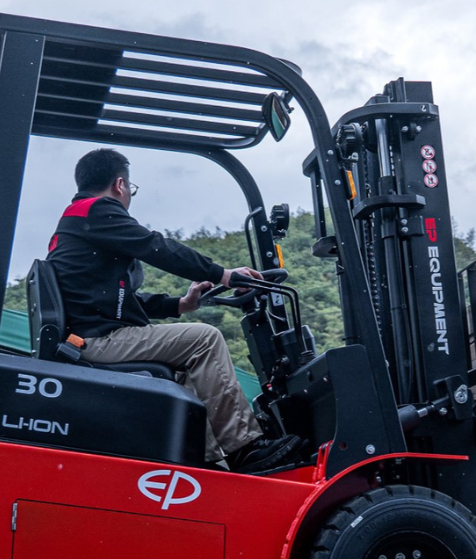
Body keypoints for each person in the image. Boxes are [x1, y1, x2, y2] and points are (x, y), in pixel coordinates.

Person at [46, 148, 303, 474]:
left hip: (90, 335)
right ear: (120, 184)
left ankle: (212, 465)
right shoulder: (96, 210)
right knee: (204, 339)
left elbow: (118, 297)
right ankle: (246, 448)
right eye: (131, 190)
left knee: (187, 372)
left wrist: (179, 305)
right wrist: (222, 274)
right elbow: (158, 247)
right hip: (97, 339)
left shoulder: (78, 221)